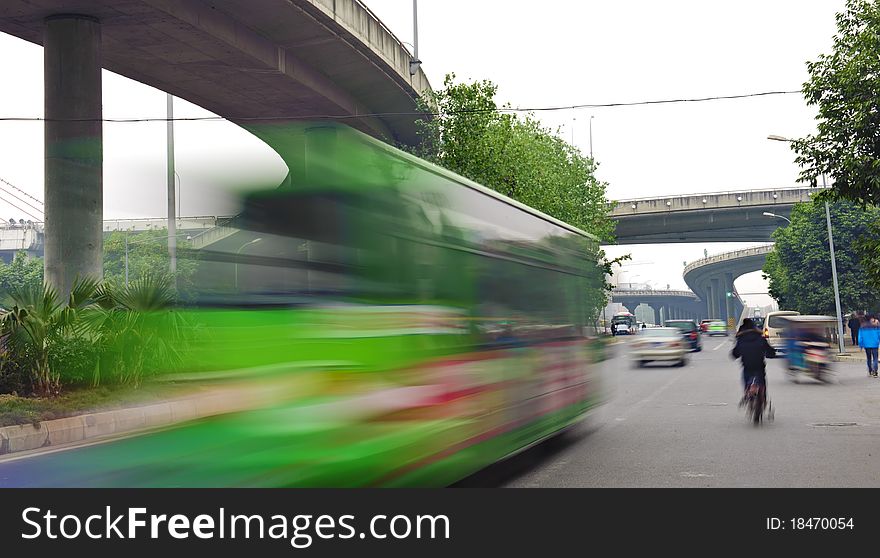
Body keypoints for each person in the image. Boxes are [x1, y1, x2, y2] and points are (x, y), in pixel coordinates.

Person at [731, 318, 776, 397]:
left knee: (746, 378)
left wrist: (736, 354)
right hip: (759, 365)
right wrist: (771, 354)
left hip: (747, 366)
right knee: (762, 380)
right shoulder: (760, 338)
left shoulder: (741, 339)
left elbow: (735, 354)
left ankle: (747, 392)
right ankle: (763, 397)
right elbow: (770, 351)